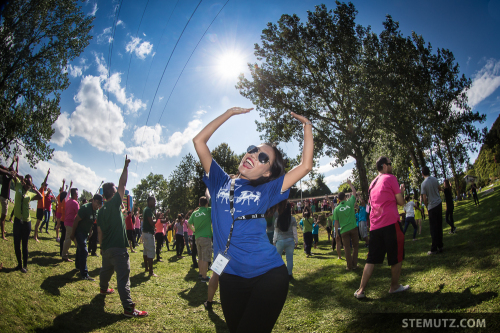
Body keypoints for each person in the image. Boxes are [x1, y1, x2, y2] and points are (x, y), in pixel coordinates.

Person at [193, 107, 313, 332]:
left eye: (263, 157)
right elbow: (199, 141)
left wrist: (307, 125)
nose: (253, 155)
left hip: (267, 275)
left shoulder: (268, 190)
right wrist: (228, 114)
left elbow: (306, 166)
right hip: (229, 277)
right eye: (253, 149)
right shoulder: (220, 180)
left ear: (267, 173)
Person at [97, 156, 148, 317]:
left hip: (106, 248)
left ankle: (103, 288)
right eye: (116, 190)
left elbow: (100, 230)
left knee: (106, 270)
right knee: (123, 278)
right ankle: (128, 308)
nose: (120, 191)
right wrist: (125, 166)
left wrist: (101, 246)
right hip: (119, 249)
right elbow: (123, 184)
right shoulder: (113, 204)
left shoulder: (102, 210)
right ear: (113, 193)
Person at [354, 157, 408, 298]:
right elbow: (401, 202)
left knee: (371, 259)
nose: (391, 166)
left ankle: (360, 290)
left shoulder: (372, 184)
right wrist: (402, 191)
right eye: (390, 164)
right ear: (384, 166)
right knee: (396, 256)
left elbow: (371, 205)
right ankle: (394, 286)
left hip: (375, 226)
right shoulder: (390, 178)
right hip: (390, 223)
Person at [11, 170, 42, 273]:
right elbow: (13, 174)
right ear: (24, 181)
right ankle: (19, 264)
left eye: (30, 183)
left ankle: (24, 265)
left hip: (26, 222)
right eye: (28, 182)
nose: (29, 185)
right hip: (17, 220)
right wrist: (20, 177)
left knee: (24, 245)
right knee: (16, 244)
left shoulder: (30, 193)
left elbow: (40, 197)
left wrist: (35, 189)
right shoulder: (18, 185)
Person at [70, 194, 103, 280]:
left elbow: (91, 222)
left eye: (100, 204)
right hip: (79, 231)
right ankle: (84, 274)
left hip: (86, 233)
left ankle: (77, 266)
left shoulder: (96, 211)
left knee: (80, 249)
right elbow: (76, 220)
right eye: (97, 203)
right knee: (84, 251)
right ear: (93, 200)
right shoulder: (85, 208)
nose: (98, 205)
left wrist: (90, 232)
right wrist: (73, 234)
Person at [333, 179, 359, 271]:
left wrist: (336, 234)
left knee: (347, 248)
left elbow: (336, 223)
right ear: (345, 197)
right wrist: (350, 184)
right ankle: (355, 264)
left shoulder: (336, 209)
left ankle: (349, 266)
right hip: (353, 227)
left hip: (343, 230)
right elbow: (354, 192)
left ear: (338, 199)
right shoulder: (350, 202)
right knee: (355, 246)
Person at [187, 196, 213, 283]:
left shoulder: (195, 213)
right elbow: (214, 204)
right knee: (205, 258)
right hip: (206, 237)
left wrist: (194, 230)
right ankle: (204, 277)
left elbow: (189, 224)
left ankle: (201, 274)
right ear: (207, 203)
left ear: (199, 204)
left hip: (197, 237)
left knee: (200, 257)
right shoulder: (208, 210)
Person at [421, 166, 443, 255]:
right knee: (439, 226)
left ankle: (434, 248)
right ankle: (440, 245)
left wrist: (426, 206)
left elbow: (424, 198)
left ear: (422, 174)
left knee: (433, 228)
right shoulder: (435, 179)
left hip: (432, 206)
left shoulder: (423, 184)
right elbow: (439, 188)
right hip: (439, 204)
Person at [273, 202, 298, 279]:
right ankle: (289, 274)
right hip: (290, 241)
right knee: (289, 259)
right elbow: (294, 232)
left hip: (280, 241)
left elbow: (276, 233)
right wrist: (296, 241)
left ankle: (278, 274)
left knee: (277, 258)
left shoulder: (277, 220)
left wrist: (274, 241)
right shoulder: (292, 219)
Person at [0, 156, 18, 240]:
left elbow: (9, 170)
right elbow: (14, 172)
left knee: (3, 217)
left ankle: (3, 230)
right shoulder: (8, 177)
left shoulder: (5, 176)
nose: (13, 173)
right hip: (4, 199)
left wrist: (13, 162)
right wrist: (17, 162)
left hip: (2, 197)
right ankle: (2, 235)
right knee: (3, 218)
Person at [62, 187, 79, 262]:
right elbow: (79, 214)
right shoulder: (75, 203)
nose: (78, 196)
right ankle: (64, 255)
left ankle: (80, 252)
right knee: (68, 239)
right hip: (71, 223)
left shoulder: (68, 201)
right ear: (74, 194)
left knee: (75, 239)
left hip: (67, 222)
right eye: (77, 194)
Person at [142, 196, 158, 277]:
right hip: (148, 234)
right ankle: (151, 272)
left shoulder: (146, 209)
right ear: (150, 201)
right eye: (154, 201)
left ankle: (146, 268)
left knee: (145, 251)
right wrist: (157, 218)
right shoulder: (148, 210)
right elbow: (151, 223)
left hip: (145, 233)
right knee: (150, 252)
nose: (155, 203)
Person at [34, 168, 50, 242]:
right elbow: (44, 182)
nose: (46, 187)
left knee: (38, 222)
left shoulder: (43, 192)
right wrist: (47, 174)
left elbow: (47, 194)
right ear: (43, 186)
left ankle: (36, 235)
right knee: (38, 223)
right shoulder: (41, 189)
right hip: (40, 208)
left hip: (41, 209)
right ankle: (35, 236)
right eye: (45, 186)